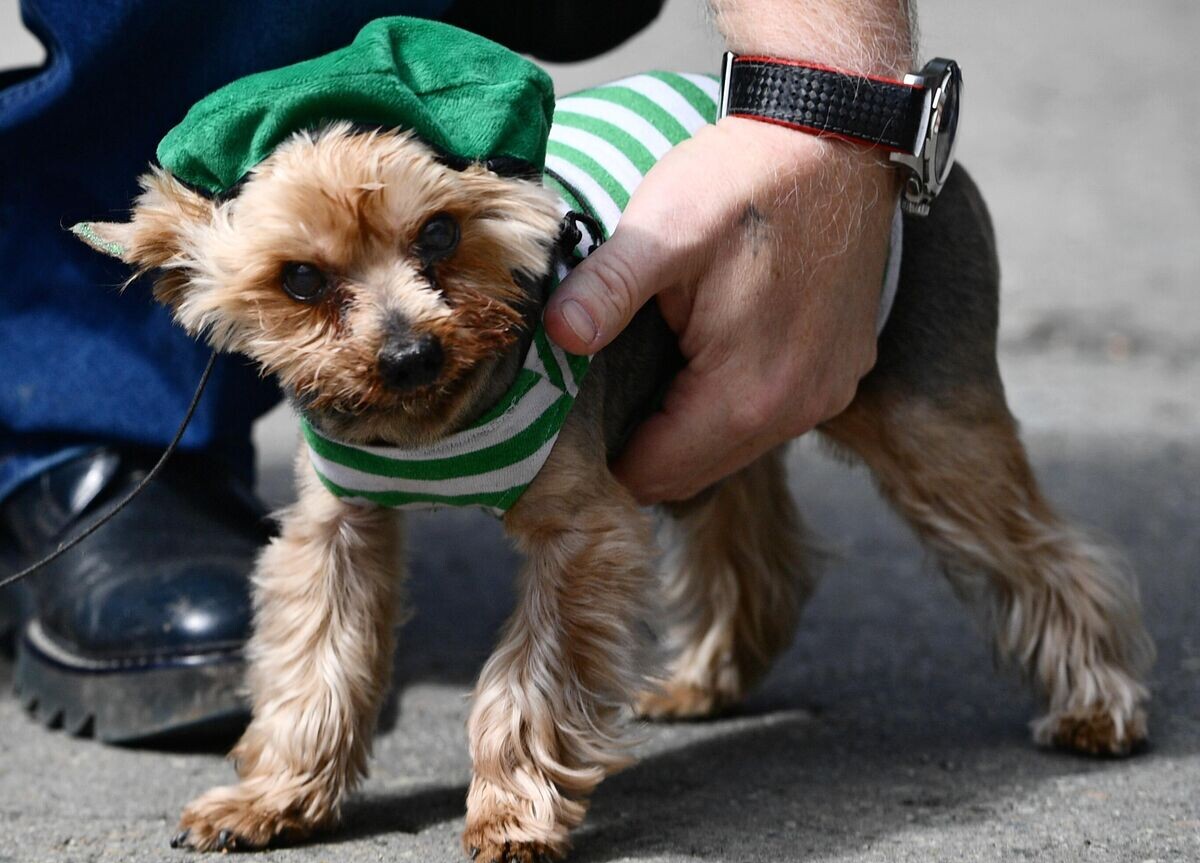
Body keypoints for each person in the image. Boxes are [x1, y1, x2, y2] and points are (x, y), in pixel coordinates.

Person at [0, 0, 912, 740]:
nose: (407, 333)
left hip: (746, 187)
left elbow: (584, 536)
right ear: (180, 277)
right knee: (338, 519)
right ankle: (94, 430)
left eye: (436, 238)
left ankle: (1056, 624)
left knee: (788, 442)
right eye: (308, 283)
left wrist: (826, 110)